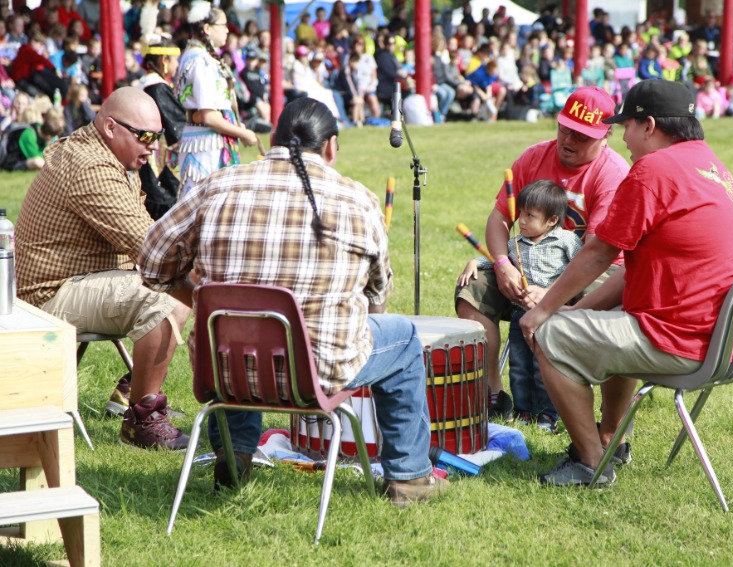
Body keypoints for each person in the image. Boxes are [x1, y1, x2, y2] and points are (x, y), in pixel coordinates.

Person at [137, 97, 448, 505]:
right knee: (405, 338)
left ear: (272, 138)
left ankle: (234, 464)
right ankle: (409, 478)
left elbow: (150, 263)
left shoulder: (217, 185)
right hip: (320, 373)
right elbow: (377, 296)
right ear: (331, 147)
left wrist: (205, 300)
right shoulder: (359, 199)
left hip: (225, 368)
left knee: (239, 340)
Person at [519, 80, 733, 487]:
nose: (624, 139)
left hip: (686, 342)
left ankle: (591, 463)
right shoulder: (711, 166)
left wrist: (543, 313)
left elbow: (598, 253)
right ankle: (612, 439)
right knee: (602, 316)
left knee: (550, 334)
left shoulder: (654, 169)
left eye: (626, 127)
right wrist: (578, 311)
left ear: (648, 125)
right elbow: (631, 272)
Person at [14, 87, 192, 450]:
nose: (154, 145)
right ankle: (142, 422)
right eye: (145, 136)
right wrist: (215, 296)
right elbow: (151, 249)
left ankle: (132, 393)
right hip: (46, 296)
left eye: (157, 136)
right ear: (111, 127)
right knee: (161, 298)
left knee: (175, 294)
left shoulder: (111, 155)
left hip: (72, 281)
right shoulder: (91, 166)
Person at [455, 86, 629, 419]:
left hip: (590, 273)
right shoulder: (534, 156)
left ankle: (568, 404)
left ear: (606, 134)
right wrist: (503, 264)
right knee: (472, 289)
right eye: (565, 129)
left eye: (581, 135)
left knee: (601, 293)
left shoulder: (612, 174)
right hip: (527, 265)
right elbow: (500, 217)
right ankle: (493, 396)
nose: (569, 140)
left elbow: (595, 254)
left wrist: (550, 294)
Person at [457, 180, 582, 433]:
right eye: (521, 214)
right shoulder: (516, 243)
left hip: (550, 316)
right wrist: (474, 262)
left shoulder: (566, 241)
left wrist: (550, 293)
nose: (522, 221)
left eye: (530, 216)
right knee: (520, 366)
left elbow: (579, 270)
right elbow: (497, 261)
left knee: (543, 366)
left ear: (551, 221)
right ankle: (524, 411)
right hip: (519, 315)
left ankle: (548, 414)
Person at [175, 1, 257, 196]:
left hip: (201, 140)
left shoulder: (192, 57)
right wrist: (242, 133)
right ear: (207, 29)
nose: (228, 31)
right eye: (223, 25)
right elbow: (209, 116)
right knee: (207, 204)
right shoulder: (201, 62)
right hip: (206, 145)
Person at [137, 36, 186, 220]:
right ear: (164, 60)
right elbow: (176, 129)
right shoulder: (157, 88)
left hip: (144, 150)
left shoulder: (143, 84)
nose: (177, 66)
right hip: (156, 161)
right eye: (175, 61)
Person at [1, 107, 64, 171]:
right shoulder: (29, 135)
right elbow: (36, 156)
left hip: (22, 159)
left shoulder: (38, 127)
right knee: (37, 162)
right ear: (49, 137)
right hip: (9, 163)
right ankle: (56, 170)